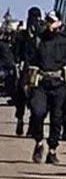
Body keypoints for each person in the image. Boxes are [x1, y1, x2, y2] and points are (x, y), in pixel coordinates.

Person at [28, 11, 66, 164]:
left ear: (59, 23)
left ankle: (52, 150)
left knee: (57, 118)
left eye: (52, 21)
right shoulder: (39, 39)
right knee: (37, 112)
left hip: (59, 84)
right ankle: (38, 143)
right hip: (41, 83)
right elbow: (30, 61)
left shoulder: (64, 40)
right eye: (48, 20)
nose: (50, 24)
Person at [14, 7, 42, 136]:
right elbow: (16, 52)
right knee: (21, 96)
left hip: (38, 70)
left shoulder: (41, 35)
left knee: (35, 99)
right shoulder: (22, 35)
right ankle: (20, 119)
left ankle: (32, 126)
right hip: (25, 69)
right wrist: (18, 62)